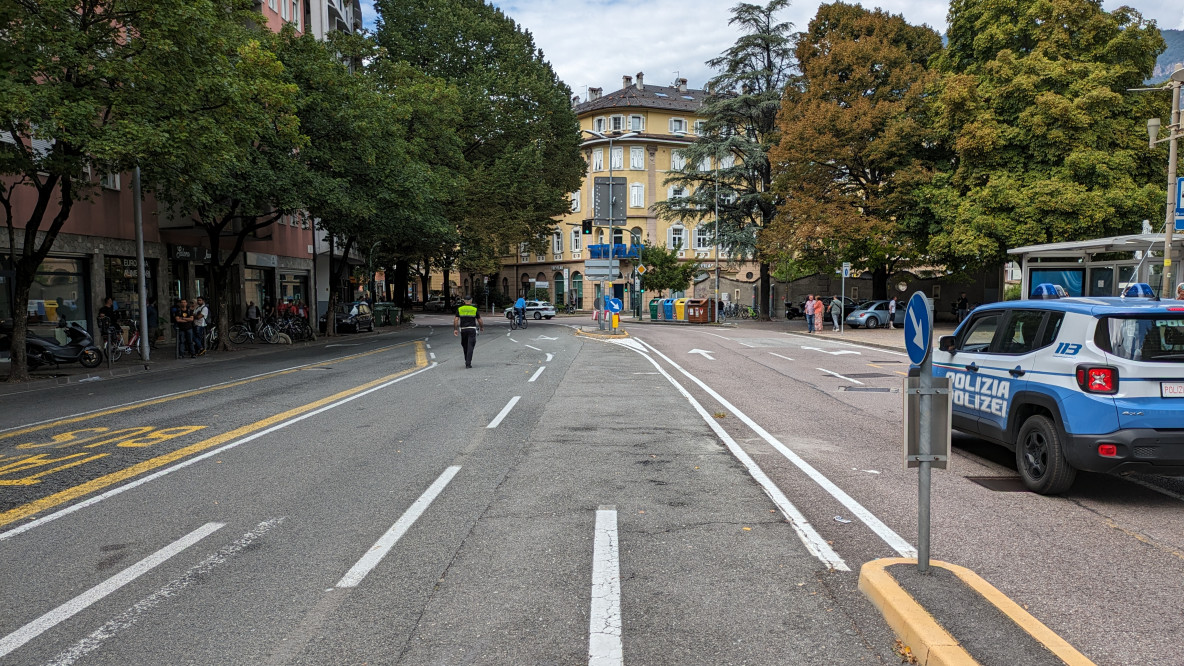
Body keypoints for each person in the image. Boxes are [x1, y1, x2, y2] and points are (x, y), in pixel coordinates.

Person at [453, 296, 484, 368]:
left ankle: (466, 360)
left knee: (464, 345)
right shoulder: (474, 309)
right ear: (471, 301)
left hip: (463, 329)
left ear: (464, 301)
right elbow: (479, 320)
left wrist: (455, 329)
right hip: (472, 329)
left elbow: (456, 320)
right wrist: (481, 327)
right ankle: (468, 363)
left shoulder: (460, 309)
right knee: (470, 346)